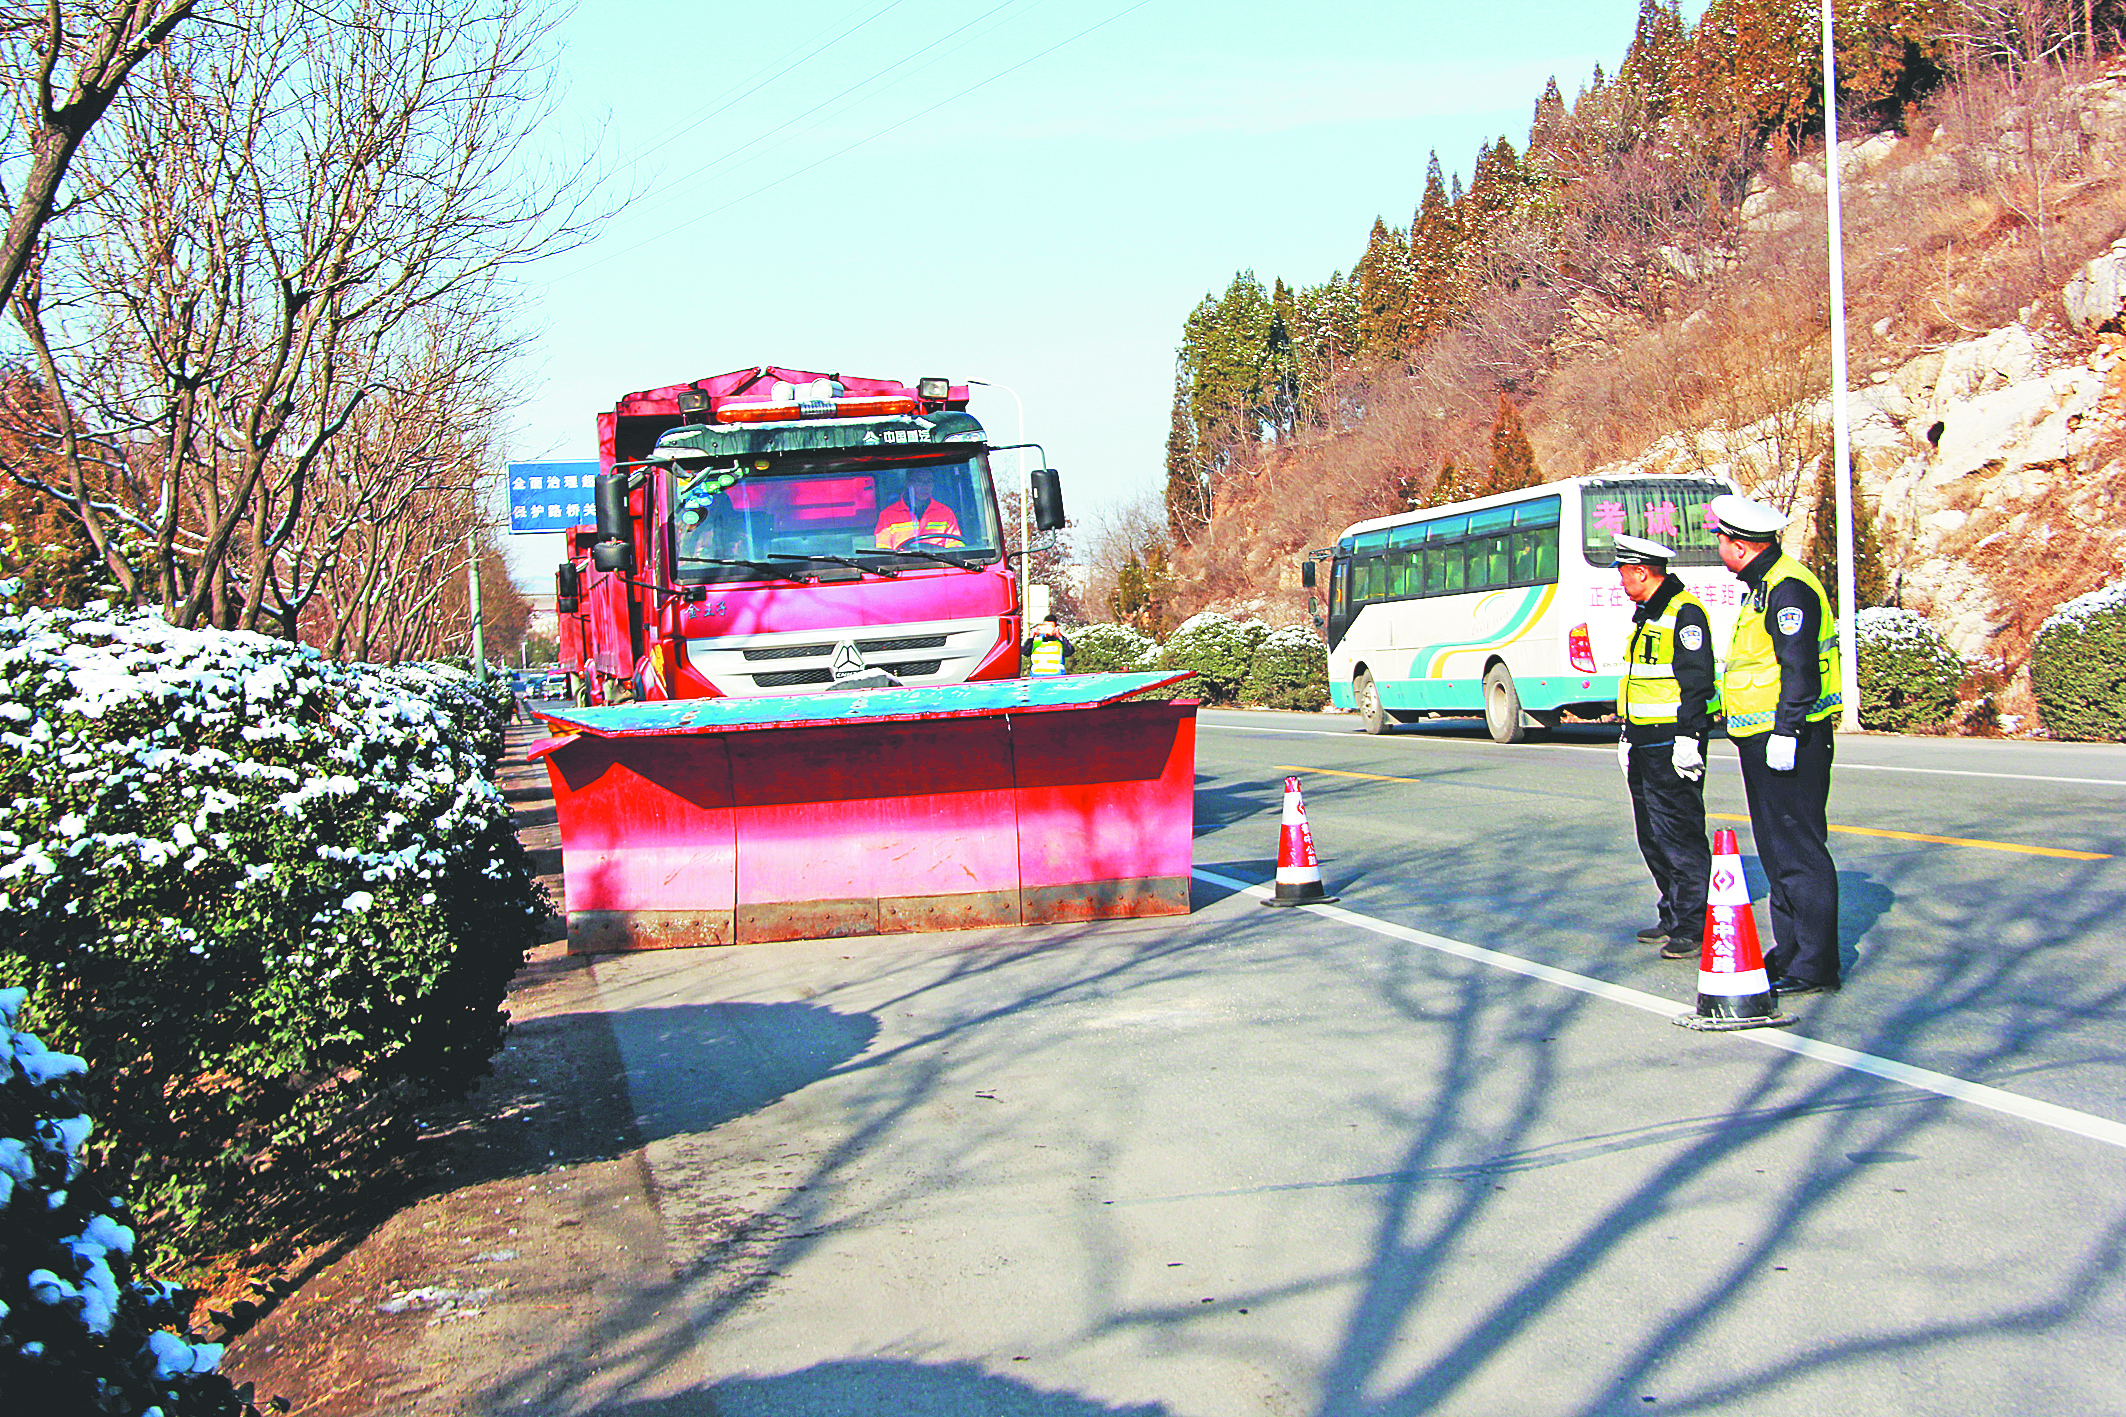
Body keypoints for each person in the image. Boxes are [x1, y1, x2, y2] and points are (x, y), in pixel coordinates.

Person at [1709, 492, 1844, 996]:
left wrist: (1786, 729)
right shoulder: (1762, 586)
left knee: (1799, 849)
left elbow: (1799, 666)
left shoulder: (1788, 588)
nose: (1718, 546)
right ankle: (1790, 951)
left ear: (1740, 546)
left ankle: (1815, 965)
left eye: (1721, 539)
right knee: (1776, 849)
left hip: (1790, 738)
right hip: (1762, 738)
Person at [1612, 532, 1717, 962]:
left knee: (1679, 834)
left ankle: (1694, 924)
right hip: (1642, 739)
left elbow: (1697, 680)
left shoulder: (1684, 613)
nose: (1619, 580)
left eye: (1623, 571)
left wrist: (1690, 737)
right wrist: (1625, 734)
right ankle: (1672, 910)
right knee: (1651, 834)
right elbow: (1638, 680)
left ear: (1642, 571)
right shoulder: (1645, 613)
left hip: (1672, 740)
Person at [873, 467, 962, 550]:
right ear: (908, 483)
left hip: (941, 565)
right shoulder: (887, 515)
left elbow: (955, 548)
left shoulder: (946, 513)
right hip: (901, 565)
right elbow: (883, 551)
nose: (925, 487)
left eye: (929, 482)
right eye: (919, 482)